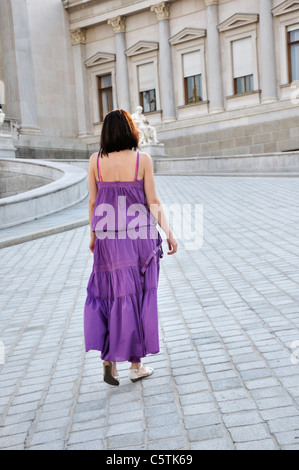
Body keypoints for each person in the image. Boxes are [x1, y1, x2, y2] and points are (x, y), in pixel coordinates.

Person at [84, 109, 177, 386]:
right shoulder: (142, 160)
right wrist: (169, 233)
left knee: (110, 295)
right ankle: (136, 366)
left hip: (108, 240)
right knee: (136, 297)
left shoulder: (95, 162)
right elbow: (153, 201)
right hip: (139, 238)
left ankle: (109, 358)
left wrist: (92, 236)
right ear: (131, 130)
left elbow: (92, 202)